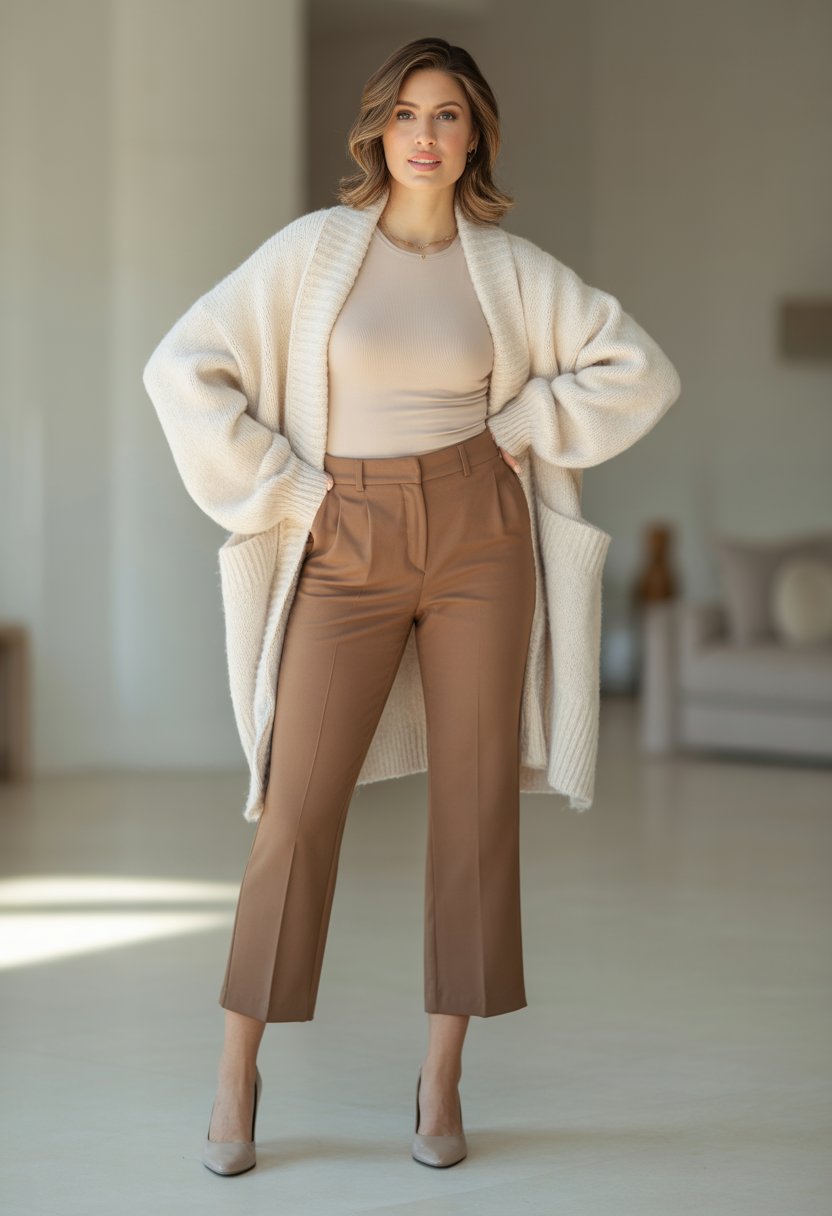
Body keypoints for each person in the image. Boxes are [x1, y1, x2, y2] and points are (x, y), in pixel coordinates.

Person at [141, 36, 681, 1177]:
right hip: (346, 530)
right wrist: (288, 489)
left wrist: (525, 426)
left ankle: (441, 1078)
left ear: (474, 133)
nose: (424, 135)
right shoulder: (313, 254)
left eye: (447, 116)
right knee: (296, 808)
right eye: (404, 115)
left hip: (482, 532)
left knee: (476, 805)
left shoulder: (509, 270)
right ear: (376, 132)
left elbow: (638, 367)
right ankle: (237, 1073)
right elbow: (183, 365)